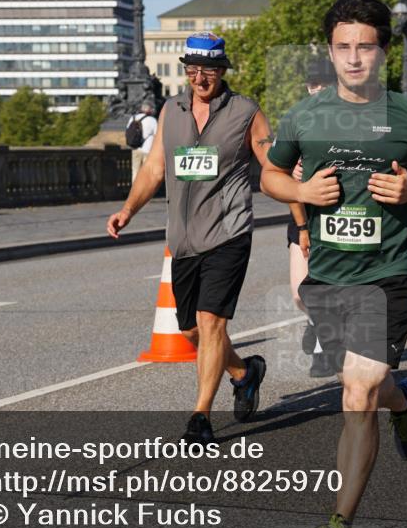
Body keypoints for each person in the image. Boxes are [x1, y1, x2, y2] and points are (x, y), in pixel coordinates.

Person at [261, 0, 407, 528]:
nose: (353, 58)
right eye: (343, 47)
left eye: (365, 47)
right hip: (327, 277)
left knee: (357, 394)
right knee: (372, 389)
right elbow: (270, 172)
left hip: (387, 275)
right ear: (330, 50)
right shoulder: (304, 116)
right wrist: (298, 193)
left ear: (383, 51)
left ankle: (339, 524)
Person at [106, 32, 271, 444]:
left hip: (229, 231)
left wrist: (303, 204)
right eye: (192, 70)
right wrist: (128, 210)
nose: (199, 79)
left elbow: (272, 166)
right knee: (192, 331)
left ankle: (200, 416)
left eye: (208, 71)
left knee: (212, 321)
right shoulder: (171, 111)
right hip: (182, 238)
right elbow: (154, 168)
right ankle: (243, 372)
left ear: (222, 71)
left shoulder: (245, 111)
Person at [288, 58, 338, 378]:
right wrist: (291, 174)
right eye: (312, 84)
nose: (316, 89)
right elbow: (280, 178)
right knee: (299, 294)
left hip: (337, 216)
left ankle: (322, 350)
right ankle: (313, 321)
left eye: (323, 84)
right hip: (303, 216)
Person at [128, 101, 158, 183]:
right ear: (149, 110)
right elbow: (157, 136)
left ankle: (134, 191)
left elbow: (128, 131)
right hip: (148, 149)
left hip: (135, 148)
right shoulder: (152, 120)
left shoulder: (133, 118)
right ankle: (145, 192)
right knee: (147, 172)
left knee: (135, 171)